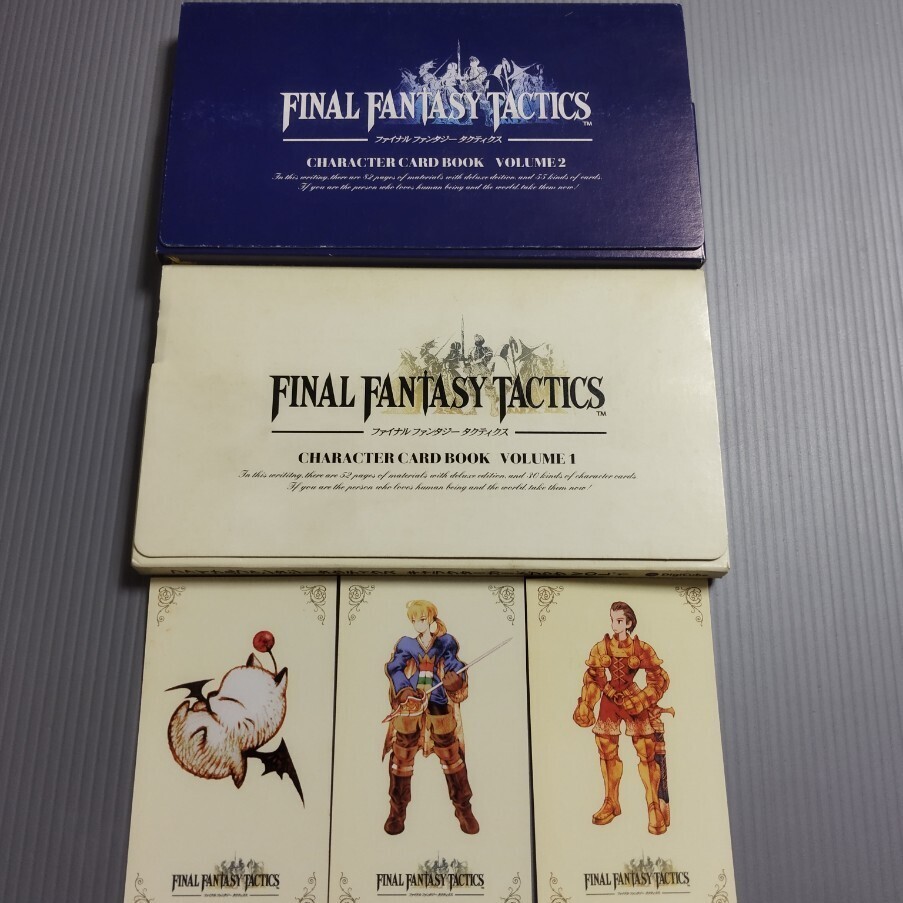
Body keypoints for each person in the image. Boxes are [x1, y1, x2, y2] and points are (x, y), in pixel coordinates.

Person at [573, 601, 671, 835]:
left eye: (619, 621)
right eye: (612, 620)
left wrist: (642, 700)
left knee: (646, 751)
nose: (614, 625)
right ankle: (611, 802)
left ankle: (653, 806)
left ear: (629, 623)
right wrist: (586, 704)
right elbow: (593, 677)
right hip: (609, 699)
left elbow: (659, 679)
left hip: (634, 699)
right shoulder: (601, 648)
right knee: (606, 749)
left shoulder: (642, 648)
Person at [382, 600, 479, 835]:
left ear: (432, 619)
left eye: (422, 619)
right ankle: (397, 811)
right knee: (402, 754)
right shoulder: (406, 644)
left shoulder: (446, 642)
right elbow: (394, 668)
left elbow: (455, 665)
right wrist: (404, 690)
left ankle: (463, 808)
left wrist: (455, 680)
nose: (418, 624)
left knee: (451, 753)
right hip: (411, 703)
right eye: (414, 620)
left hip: (438, 701)